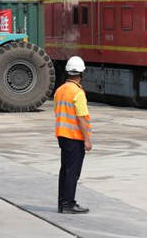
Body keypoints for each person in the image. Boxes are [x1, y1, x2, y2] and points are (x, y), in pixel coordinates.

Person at [54, 56, 92, 214]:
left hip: (62, 135)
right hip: (74, 137)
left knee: (65, 170)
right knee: (72, 172)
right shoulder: (78, 92)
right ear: (81, 73)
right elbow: (81, 118)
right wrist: (87, 139)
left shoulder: (60, 90)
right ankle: (69, 203)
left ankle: (62, 203)